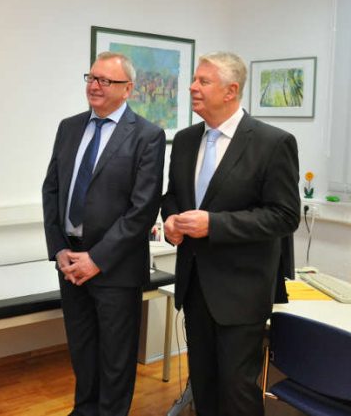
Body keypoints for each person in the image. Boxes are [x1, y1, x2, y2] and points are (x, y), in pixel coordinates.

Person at [161, 51, 300, 416]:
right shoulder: (186, 139)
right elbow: (173, 195)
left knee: (237, 392)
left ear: (230, 90)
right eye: (194, 79)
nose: (192, 87)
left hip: (241, 292)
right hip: (194, 288)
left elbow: (285, 216)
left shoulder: (272, 143)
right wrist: (172, 220)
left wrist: (215, 225)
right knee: (203, 386)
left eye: (203, 81)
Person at [42, 52, 166, 415]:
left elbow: (142, 209)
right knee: (82, 351)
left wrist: (96, 259)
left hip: (115, 266)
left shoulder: (146, 136)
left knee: (115, 359)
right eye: (91, 78)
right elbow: (51, 190)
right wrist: (59, 249)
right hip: (70, 261)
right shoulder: (69, 127)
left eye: (105, 81)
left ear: (127, 89)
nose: (94, 86)